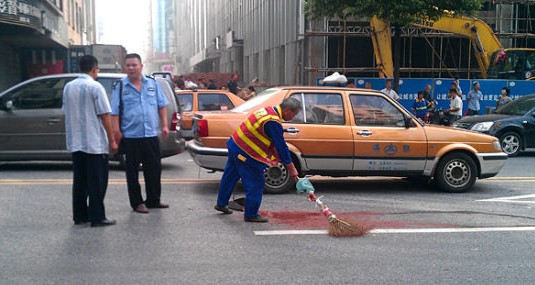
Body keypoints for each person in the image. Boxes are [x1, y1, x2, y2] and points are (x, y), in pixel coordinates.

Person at [214, 97, 302, 222]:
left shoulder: (268, 110)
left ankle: (221, 203)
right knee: (256, 182)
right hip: (246, 152)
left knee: (230, 176)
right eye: (294, 114)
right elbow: (281, 147)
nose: (294, 117)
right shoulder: (273, 122)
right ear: (288, 110)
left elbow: (261, 129)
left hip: (235, 144)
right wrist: (292, 168)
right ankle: (251, 214)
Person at [62, 55, 118, 227]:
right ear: (95, 69)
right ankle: (97, 217)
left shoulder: (68, 87)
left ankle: (79, 215)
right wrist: (112, 140)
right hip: (94, 144)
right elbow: (104, 115)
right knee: (97, 181)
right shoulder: (95, 87)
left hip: (76, 142)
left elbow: (66, 110)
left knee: (80, 181)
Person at [111, 53, 170, 214]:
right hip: (131, 137)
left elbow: (161, 105)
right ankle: (137, 203)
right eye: (128, 65)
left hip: (150, 135)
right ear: (125, 68)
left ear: (141, 66)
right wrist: (116, 132)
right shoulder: (120, 87)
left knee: (154, 169)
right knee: (132, 172)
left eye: (134, 65)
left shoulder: (152, 83)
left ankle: (153, 200)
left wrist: (165, 125)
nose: (131, 68)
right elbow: (114, 112)